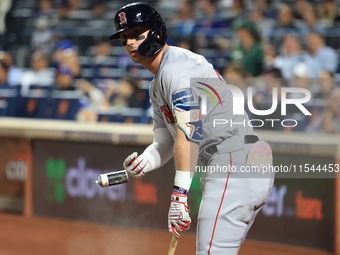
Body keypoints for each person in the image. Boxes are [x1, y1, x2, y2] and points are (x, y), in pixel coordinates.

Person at [110, 3, 274, 255]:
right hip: (234, 162)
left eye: (136, 34)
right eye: (124, 37)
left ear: (156, 32)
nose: (130, 42)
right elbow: (165, 143)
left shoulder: (177, 68)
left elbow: (190, 133)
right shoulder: (158, 83)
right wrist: (145, 161)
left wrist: (179, 195)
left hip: (233, 159)